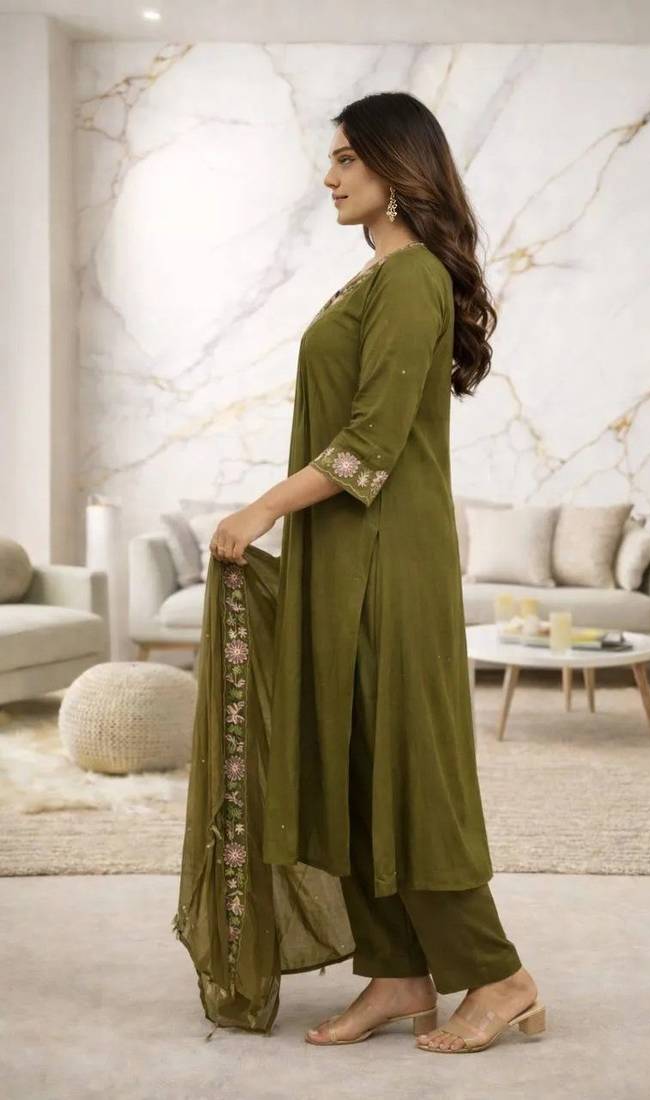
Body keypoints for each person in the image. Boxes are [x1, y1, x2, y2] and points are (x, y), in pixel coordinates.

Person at [173, 91, 545, 1055]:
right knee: (352, 766)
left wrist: (261, 508)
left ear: (396, 165)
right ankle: (397, 975)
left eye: (346, 158)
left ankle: (498, 976)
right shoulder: (373, 276)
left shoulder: (413, 277)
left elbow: (369, 446)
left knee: (406, 773)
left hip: (389, 562)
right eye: (331, 158)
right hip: (341, 558)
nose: (329, 176)